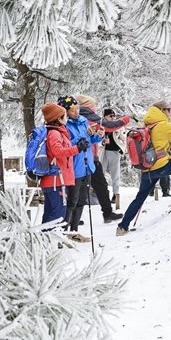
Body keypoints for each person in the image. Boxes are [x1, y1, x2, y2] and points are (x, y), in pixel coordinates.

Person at [116, 100, 171, 236]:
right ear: (162, 110)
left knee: (139, 198)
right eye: (169, 110)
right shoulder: (163, 125)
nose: (170, 113)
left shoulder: (146, 125)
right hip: (162, 166)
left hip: (147, 169)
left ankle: (122, 227)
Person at [57, 95, 102, 243]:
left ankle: (75, 230)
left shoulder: (83, 121)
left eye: (77, 109)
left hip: (87, 165)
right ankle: (65, 232)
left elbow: (90, 141)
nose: (76, 112)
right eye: (72, 110)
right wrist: (82, 138)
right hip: (74, 167)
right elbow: (68, 144)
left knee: (82, 199)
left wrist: (97, 136)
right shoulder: (64, 126)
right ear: (65, 112)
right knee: (72, 200)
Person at [74, 95, 124, 224]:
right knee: (93, 186)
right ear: (87, 106)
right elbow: (109, 126)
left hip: (88, 157)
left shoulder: (82, 117)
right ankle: (105, 213)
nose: (95, 108)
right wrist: (125, 120)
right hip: (87, 158)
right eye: (93, 105)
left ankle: (75, 217)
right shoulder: (88, 117)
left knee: (86, 187)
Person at [37, 103, 81, 230]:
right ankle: (51, 243)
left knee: (50, 215)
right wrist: (77, 149)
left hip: (54, 181)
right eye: (64, 116)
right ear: (58, 118)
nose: (66, 118)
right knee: (57, 217)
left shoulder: (57, 132)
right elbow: (58, 152)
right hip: (56, 181)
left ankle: (45, 244)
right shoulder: (54, 133)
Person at [101, 107, 129, 205]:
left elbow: (124, 139)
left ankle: (115, 194)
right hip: (102, 153)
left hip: (114, 152)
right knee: (100, 174)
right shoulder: (100, 126)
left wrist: (121, 149)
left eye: (114, 116)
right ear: (105, 116)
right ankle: (102, 194)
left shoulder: (118, 126)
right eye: (110, 116)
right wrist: (102, 142)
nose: (112, 118)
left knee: (115, 174)